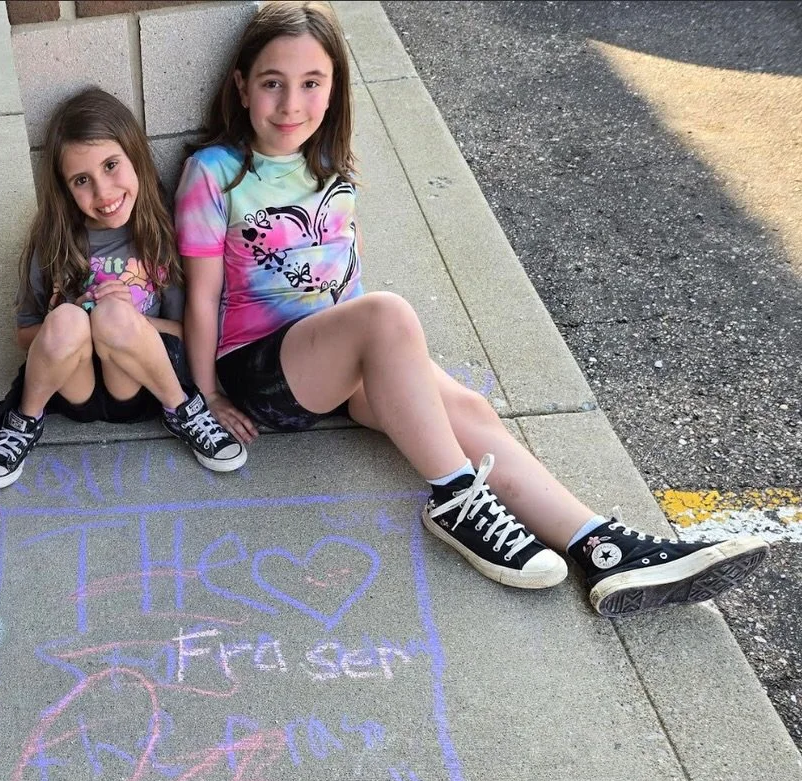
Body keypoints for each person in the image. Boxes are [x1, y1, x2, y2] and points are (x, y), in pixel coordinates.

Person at [174, 1, 767, 617]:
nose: (291, 103)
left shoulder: (328, 163)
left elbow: (340, 275)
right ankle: (456, 500)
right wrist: (210, 396)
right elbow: (201, 294)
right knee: (387, 315)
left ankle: (602, 548)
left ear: (334, 90)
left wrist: (382, 364)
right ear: (242, 87)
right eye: (272, 83)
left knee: (468, 409)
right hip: (262, 372)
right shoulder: (215, 172)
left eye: (310, 83)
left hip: (338, 357)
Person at [0, 87, 246, 490]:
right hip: (74, 390)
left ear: (135, 156)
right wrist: (76, 316)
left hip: (139, 387)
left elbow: (189, 331)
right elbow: (25, 334)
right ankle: (23, 422)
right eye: (82, 180)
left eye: (111, 165)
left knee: (115, 315)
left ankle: (185, 410)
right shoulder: (53, 242)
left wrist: (130, 322)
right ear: (65, 188)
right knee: (66, 318)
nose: (103, 193)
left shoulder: (160, 236)